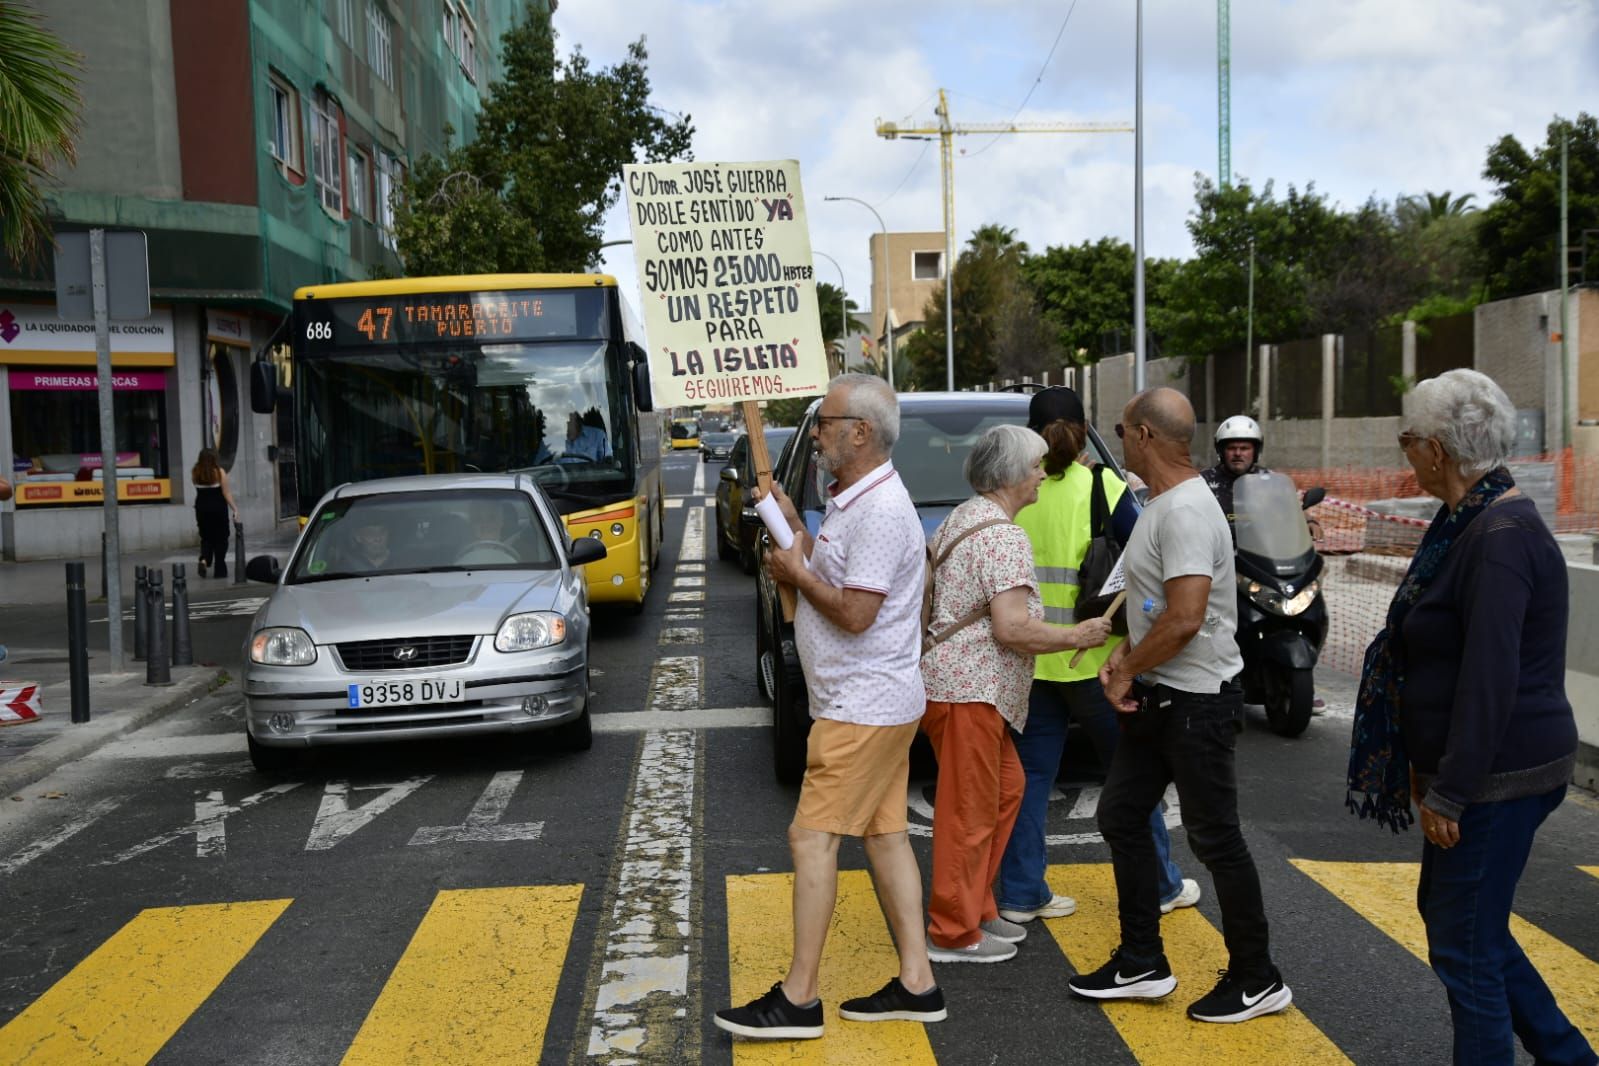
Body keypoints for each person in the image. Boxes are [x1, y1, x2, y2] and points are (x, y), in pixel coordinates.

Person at [1348, 369, 1594, 1065]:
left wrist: (1452, 786)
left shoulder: (1497, 536)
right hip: (1488, 767)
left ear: (1437, 449)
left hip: (1500, 773)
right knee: (1464, 928)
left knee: (1465, 947)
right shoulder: (1466, 520)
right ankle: (1568, 1057)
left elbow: (1490, 677)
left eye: (1407, 439)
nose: (1404, 453)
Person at [714, 373, 945, 1039]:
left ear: (861, 432)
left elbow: (853, 612)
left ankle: (798, 998)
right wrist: (791, 528)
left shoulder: (877, 511)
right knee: (884, 836)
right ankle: (917, 982)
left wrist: (795, 576)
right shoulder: (854, 498)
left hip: (860, 704)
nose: (813, 433)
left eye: (824, 421)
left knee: (810, 839)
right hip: (872, 700)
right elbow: (832, 572)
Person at [1068, 387, 1292, 1024]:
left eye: (1119, 427)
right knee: (1121, 815)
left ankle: (1257, 977)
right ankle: (1142, 960)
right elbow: (1152, 611)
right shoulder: (1163, 504)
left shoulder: (1187, 511)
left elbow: (1186, 617)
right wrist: (1126, 662)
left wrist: (1123, 669)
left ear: (1142, 436)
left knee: (1216, 839)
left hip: (1197, 703)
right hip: (1161, 696)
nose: (1116, 439)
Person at [998, 387, 1202, 930]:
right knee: (1132, 773)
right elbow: (1150, 556)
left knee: (1030, 780)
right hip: (1097, 662)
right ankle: (1160, 884)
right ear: (1084, 431)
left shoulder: (1017, 491)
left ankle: (1020, 892)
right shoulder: (1103, 487)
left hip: (1033, 659)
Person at [921, 424, 1112, 964]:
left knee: (1005, 792)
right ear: (1010, 474)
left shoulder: (965, 515)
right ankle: (952, 933)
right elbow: (1011, 627)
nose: (1041, 477)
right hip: (970, 693)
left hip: (965, 690)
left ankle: (978, 910)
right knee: (969, 813)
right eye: (1036, 467)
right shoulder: (1004, 536)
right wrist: (1077, 635)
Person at [1200, 414, 1267, 529]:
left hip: (1259, 545)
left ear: (1256, 452)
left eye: (1244, 448)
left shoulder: (1269, 481)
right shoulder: (1202, 483)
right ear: (1221, 451)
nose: (1237, 453)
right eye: (1231, 448)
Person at [191, 448, 239, 578]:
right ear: (214, 459)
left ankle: (204, 560)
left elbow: (197, 488)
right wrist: (234, 508)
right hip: (218, 509)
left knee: (206, 538)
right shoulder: (219, 472)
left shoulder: (195, 472)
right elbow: (226, 493)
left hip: (201, 509)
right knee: (221, 538)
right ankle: (220, 570)